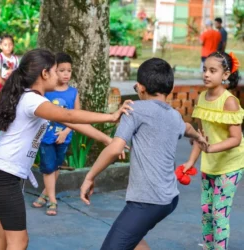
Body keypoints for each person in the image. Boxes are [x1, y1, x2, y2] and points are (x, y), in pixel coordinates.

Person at [0, 48, 132, 250]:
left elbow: (73, 123)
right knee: (19, 242)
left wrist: (106, 139)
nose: (60, 76)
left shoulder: (32, 98)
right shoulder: (33, 100)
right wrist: (111, 116)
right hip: (2, 175)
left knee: (4, 237)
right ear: (44, 73)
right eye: (55, 71)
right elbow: (69, 117)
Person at [80, 58, 208, 250]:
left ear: (140, 87)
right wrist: (199, 137)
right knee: (134, 239)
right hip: (169, 199)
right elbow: (187, 127)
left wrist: (89, 176)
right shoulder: (174, 115)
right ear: (170, 89)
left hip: (147, 201)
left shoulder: (134, 110)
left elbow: (115, 148)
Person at [182, 51, 243, 250]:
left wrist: (211, 148)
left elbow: (236, 139)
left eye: (212, 70)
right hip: (210, 165)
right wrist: (190, 162)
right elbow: (201, 136)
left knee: (219, 212)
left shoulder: (229, 101)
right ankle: (208, 247)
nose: (206, 74)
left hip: (230, 165)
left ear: (225, 75)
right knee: (207, 210)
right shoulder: (201, 98)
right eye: (205, 70)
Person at [32, 52, 80, 216]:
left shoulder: (73, 92)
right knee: (48, 168)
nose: (66, 74)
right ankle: (53, 200)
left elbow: (76, 116)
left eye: (69, 70)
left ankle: (45, 193)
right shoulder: (47, 92)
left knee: (56, 166)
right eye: (61, 70)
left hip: (64, 138)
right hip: (46, 138)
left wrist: (66, 132)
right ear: (53, 71)